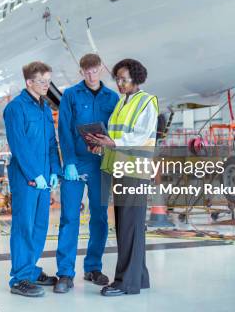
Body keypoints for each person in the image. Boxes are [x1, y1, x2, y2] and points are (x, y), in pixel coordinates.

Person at [86, 58, 158, 297]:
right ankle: (140, 277)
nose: (119, 83)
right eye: (117, 78)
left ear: (136, 79)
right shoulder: (122, 103)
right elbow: (115, 136)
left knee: (130, 227)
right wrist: (101, 145)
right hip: (120, 169)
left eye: (124, 79)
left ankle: (126, 282)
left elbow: (141, 136)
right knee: (128, 226)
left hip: (134, 172)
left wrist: (113, 142)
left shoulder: (146, 102)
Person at [54, 54, 119, 294]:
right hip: (76, 163)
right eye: (87, 71)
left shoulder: (112, 98)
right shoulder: (70, 95)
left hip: (101, 164)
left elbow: (115, 131)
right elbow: (64, 130)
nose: (91, 75)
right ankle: (65, 273)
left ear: (101, 68)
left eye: (95, 70)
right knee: (69, 217)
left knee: (100, 218)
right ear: (81, 72)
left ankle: (93, 267)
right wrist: (68, 162)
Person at [3, 61, 62, 297]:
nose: (47, 85)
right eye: (42, 81)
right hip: (26, 178)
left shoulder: (45, 109)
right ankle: (19, 278)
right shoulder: (15, 108)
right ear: (29, 82)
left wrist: (55, 171)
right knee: (23, 226)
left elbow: (51, 143)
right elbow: (19, 145)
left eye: (49, 81)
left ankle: (30, 269)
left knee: (39, 226)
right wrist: (33, 174)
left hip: (44, 178)